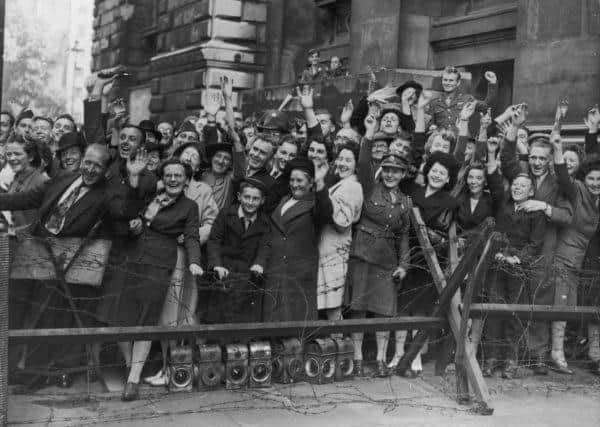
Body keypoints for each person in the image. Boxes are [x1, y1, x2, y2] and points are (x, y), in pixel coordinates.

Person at [0, 143, 145, 385]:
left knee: (47, 313)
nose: (89, 169)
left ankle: (36, 373)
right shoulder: (63, 178)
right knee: (17, 305)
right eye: (87, 162)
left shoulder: (108, 193)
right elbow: (26, 198)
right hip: (35, 250)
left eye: (97, 166)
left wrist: (133, 179)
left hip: (68, 259)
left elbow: (125, 211)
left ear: (105, 170)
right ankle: (11, 365)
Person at [118, 158, 204, 401]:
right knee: (125, 316)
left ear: (186, 179)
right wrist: (135, 225)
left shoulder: (189, 206)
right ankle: (130, 367)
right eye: (169, 175)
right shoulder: (151, 196)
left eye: (178, 175)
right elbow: (130, 212)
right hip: (135, 258)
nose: (173, 180)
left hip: (161, 262)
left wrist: (194, 261)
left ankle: (133, 380)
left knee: (148, 318)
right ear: (162, 178)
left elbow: (192, 236)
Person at [500, 110, 574, 374]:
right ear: (527, 156)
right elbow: (506, 158)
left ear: (549, 161)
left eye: (542, 158)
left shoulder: (557, 184)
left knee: (540, 302)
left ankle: (538, 355)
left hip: (545, 251)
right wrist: (514, 128)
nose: (537, 162)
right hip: (518, 249)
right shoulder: (521, 173)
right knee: (516, 302)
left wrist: (543, 205)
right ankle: (513, 356)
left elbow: (566, 216)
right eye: (533, 157)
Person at [348, 116, 412, 377]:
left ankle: (382, 360)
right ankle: (358, 358)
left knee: (385, 312)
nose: (390, 174)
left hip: (387, 262)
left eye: (395, 171)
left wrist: (404, 265)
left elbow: (404, 236)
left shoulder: (406, 202)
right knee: (359, 309)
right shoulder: (369, 187)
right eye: (386, 170)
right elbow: (363, 161)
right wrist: (369, 132)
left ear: (403, 174)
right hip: (363, 256)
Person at [545, 133, 600, 374]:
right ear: (584, 178)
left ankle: (561, 352)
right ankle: (555, 354)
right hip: (563, 259)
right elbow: (563, 177)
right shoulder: (577, 190)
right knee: (561, 307)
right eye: (592, 178)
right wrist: (557, 149)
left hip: (579, 262)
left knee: (570, 309)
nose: (596, 183)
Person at [255, 156, 332, 322]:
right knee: (273, 322)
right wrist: (261, 262)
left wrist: (320, 183)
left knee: (295, 324)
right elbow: (270, 236)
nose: (295, 184)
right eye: (292, 180)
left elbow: (326, 212)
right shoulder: (283, 201)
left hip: (298, 274)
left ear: (311, 183)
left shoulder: (315, 204)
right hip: (275, 270)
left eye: (300, 180)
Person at [205, 178, 271, 323]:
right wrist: (216, 264)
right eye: (247, 197)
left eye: (255, 199)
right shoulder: (226, 214)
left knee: (242, 317)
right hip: (224, 271)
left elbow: (265, 246)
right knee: (218, 315)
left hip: (247, 275)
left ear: (262, 201)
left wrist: (259, 263)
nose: (250, 202)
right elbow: (214, 240)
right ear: (239, 196)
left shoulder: (265, 222)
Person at [317, 143, 363, 322]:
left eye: (348, 160)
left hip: (335, 255)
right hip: (328, 252)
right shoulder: (340, 184)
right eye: (340, 159)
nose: (342, 163)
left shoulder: (352, 186)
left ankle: (339, 346)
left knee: (333, 309)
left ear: (356, 165)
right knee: (328, 306)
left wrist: (322, 192)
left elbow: (343, 221)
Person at [426, 66, 498, 134]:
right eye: (445, 80)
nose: (447, 83)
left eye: (451, 80)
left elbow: (486, 106)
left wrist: (493, 83)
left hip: (461, 142)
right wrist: (432, 128)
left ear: (458, 83)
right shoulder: (434, 103)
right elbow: (430, 125)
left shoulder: (467, 99)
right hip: (442, 144)